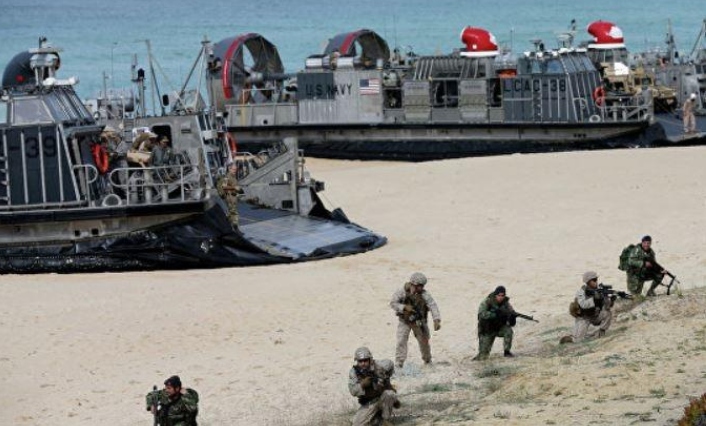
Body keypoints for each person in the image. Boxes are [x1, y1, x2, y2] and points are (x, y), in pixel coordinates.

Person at [389, 272, 441, 368]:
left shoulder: (424, 294)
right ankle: (399, 363)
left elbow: (432, 305)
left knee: (424, 341)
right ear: (413, 284)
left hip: (419, 322)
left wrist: (436, 319)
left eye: (422, 286)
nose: (421, 288)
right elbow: (393, 303)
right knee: (401, 341)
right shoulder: (402, 292)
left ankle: (427, 360)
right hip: (404, 321)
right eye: (419, 286)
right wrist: (404, 307)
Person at [348, 347, 399, 426]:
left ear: (370, 359)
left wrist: (386, 378)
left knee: (389, 394)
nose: (363, 363)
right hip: (369, 402)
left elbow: (390, 364)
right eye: (360, 361)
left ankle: (385, 420)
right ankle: (378, 420)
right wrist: (362, 385)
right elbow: (353, 391)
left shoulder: (378, 366)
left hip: (382, 397)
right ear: (357, 361)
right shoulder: (354, 373)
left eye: (365, 360)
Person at [569, 271, 614, 343]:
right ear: (588, 282)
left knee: (607, 313)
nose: (596, 282)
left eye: (596, 279)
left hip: (594, 316)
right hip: (584, 318)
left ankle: (601, 332)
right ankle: (578, 336)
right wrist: (595, 300)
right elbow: (583, 304)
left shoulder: (599, 291)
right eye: (594, 280)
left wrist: (610, 301)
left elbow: (607, 307)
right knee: (577, 340)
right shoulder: (581, 292)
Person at [473, 286, 516, 360]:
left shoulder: (506, 303)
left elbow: (511, 312)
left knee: (508, 331)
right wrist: (494, 315)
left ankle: (507, 351)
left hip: (499, 328)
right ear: (495, 295)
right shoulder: (487, 301)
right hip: (487, 329)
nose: (500, 297)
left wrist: (512, 317)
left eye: (502, 295)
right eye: (499, 295)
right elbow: (481, 314)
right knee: (483, 356)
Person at [216, 162, 241, 227]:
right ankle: (235, 227)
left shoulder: (233, 176)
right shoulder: (227, 177)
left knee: (232, 212)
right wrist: (234, 187)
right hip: (229, 197)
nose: (235, 171)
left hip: (233, 196)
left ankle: (228, 224)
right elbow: (224, 187)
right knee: (233, 213)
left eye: (236, 169)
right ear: (229, 169)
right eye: (233, 169)